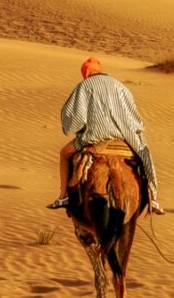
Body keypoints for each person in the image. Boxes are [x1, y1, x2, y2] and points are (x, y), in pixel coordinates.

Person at [48, 57, 166, 214]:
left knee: (64, 154)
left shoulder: (84, 86)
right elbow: (134, 117)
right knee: (145, 157)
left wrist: (79, 128)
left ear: (85, 73)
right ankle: (153, 197)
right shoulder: (120, 86)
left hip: (93, 137)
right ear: (100, 70)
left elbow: (74, 120)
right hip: (125, 137)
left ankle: (63, 196)